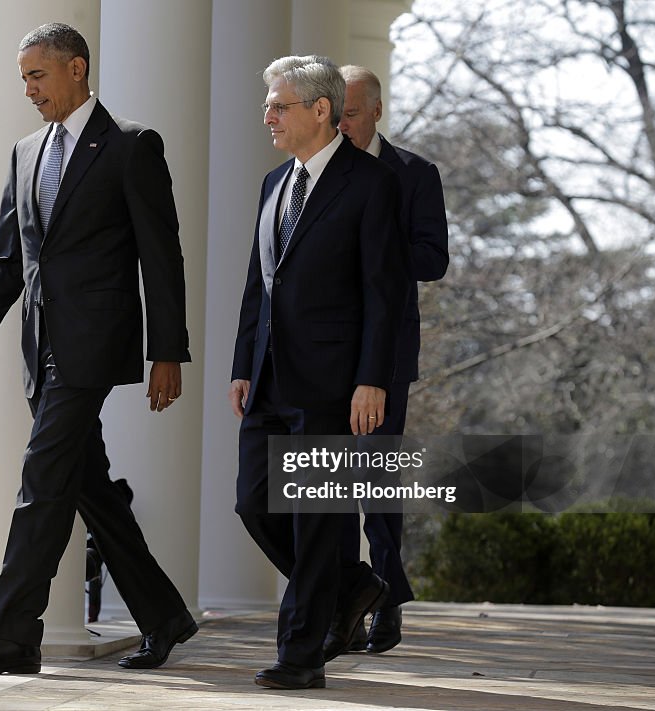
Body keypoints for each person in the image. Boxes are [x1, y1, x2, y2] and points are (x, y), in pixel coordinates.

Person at [0, 22, 197, 675]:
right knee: (88, 487)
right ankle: (164, 615)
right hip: (39, 346)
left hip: (94, 344)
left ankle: (12, 636)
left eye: (38, 74)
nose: (28, 89)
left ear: (76, 68)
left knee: (42, 481)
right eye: (23, 77)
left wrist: (167, 350)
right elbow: (9, 257)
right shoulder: (25, 152)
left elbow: (160, 256)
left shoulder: (132, 145)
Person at [229, 55, 410, 690]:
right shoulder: (273, 183)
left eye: (279, 105)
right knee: (254, 504)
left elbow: (383, 292)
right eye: (269, 104)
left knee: (316, 519)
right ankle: (355, 584)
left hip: (336, 381)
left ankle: (300, 656)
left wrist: (373, 379)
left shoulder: (371, 184)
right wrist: (241, 363)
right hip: (269, 377)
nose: (268, 115)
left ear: (321, 111)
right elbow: (259, 284)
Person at [329, 64, 450, 656]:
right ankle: (347, 604)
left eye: (351, 113)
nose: (342, 124)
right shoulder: (318, 170)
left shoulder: (415, 174)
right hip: (324, 353)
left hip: (388, 356)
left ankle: (389, 605)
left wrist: (374, 241)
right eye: (336, 112)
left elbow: (433, 259)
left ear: (377, 110)